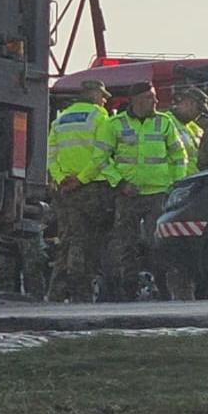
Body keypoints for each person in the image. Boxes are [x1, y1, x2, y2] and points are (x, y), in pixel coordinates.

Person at [105, 85, 187, 301]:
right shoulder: (115, 125)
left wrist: (174, 185)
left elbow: (179, 155)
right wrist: (120, 183)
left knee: (158, 243)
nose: (155, 102)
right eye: (150, 98)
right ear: (136, 100)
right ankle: (128, 290)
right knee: (126, 244)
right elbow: (101, 159)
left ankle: (164, 288)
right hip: (127, 195)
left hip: (158, 194)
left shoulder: (164, 122)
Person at [46, 79, 117, 302]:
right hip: (92, 188)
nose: (105, 100)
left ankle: (56, 293)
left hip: (64, 189)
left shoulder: (61, 119)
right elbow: (101, 155)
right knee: (86, 243)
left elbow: (50, 155)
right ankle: (81, 294)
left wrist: (61, 178)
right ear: (94, 95)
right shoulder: (100, 117)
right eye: (103, 96)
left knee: (67, 240)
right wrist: (82, 179)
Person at [170, 86, 208, 179]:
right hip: (176, 182)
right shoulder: (166, 122)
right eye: (198, 109)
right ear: (188, 103)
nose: (199, 114)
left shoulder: (195, 128)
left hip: (193, 181)